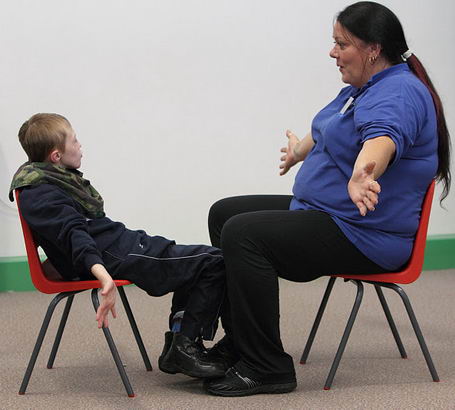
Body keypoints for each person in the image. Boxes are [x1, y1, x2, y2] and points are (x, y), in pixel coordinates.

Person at [204, 1, 451, 397]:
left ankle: (266, 367)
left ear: (373, 49)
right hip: (329, 215)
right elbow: (327, 129)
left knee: (243, 233)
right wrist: (297, 151)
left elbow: (382, 139)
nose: (332, 53)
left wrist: (363, 173)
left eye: (341, 44)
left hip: (366, 234)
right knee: (226, 212)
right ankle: (241, 343)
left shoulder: (400, 92)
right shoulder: (362, 88)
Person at [9, 113, 229, 380]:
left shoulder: (51, 179)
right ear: (56, 155)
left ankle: (180, 343)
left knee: (194, 261)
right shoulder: (41, 193)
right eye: (74, 141)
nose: (80, 147)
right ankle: (185, 346)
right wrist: (103, 277)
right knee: (215, 261)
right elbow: (73, 234)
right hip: (112, 254)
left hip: (117, 244)